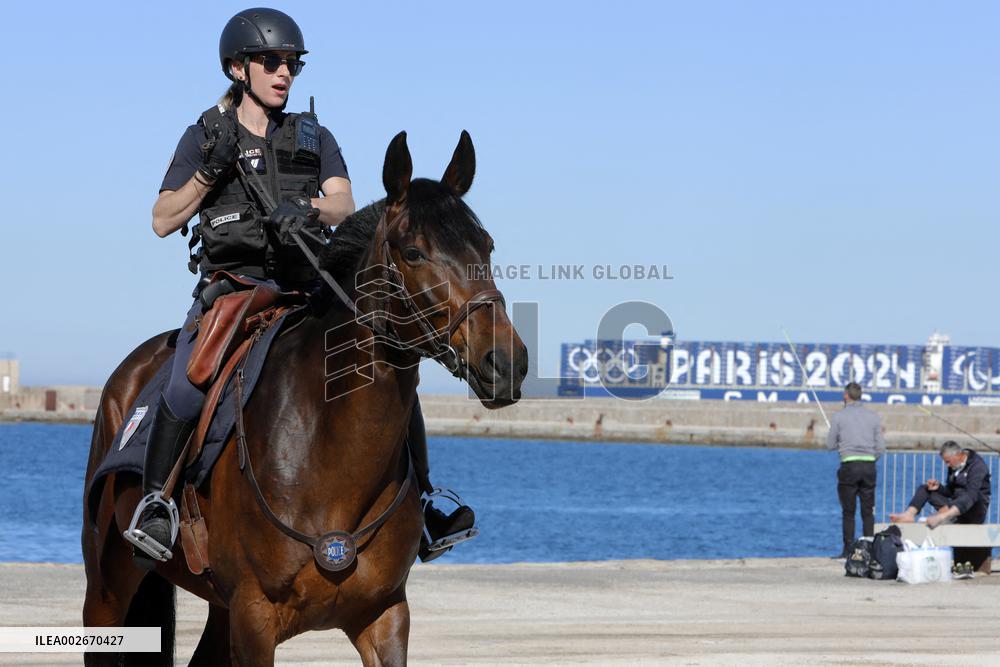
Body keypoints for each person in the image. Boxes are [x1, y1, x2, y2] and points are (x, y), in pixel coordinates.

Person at [124, 8, 475, 569]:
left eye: (291, 63)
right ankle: (157, 504)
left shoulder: (314, 135)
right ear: (238, 69)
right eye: (271, 62)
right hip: (234, 287)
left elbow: (343, 202)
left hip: (306, 286)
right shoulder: (205, 135)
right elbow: (162, 218)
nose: (284, 73)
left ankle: (426, 501)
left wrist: (306, 206)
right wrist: (208, 173)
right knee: (190, 379)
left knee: (387, 363)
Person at [826, 382, 885, 558]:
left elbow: (830, 445)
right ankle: (869, 549)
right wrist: (870, 458)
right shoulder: (873, 417)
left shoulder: (839, 417)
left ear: (846, 396)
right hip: (868, 466)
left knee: (848, 511)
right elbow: (880, 447)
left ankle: (848, 550)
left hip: (849, 466)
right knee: (868, 511)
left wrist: (841, 443)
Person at [890, 441, 991, 528]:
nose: (947, 465)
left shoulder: (977, 466)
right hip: (954, 508)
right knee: (925, 488)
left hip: (974, 510)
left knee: (967, 497)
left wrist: (943, 515)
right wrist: (939, 488)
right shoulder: (954, 466)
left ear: (958, 455)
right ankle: (909, 514)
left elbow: (971, 496)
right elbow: (950, 492)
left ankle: (944, 516)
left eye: (948, 462)